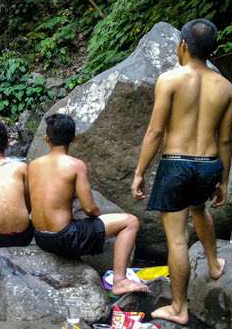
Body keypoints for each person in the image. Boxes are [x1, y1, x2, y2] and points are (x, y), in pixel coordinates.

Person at [132, 18, 232, 325]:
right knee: (200, 208)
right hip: (209, 165)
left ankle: (179, 308)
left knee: (177, 241)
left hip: (176, 164)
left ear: (183, 45)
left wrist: (139, 172)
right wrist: (223, 181)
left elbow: (154, 132)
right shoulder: (227, 88)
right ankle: (214, 263)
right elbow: (226, 140)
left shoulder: (170, 80)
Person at [29, 113, 149, 296]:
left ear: (47, 139)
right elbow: (89, 208)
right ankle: (119, 281)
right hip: (63, 238)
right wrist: (97, 218)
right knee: (131, 222)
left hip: (41, 238)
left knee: (78, 226)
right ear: (74, 138)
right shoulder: (76, 165)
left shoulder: (34, 165)